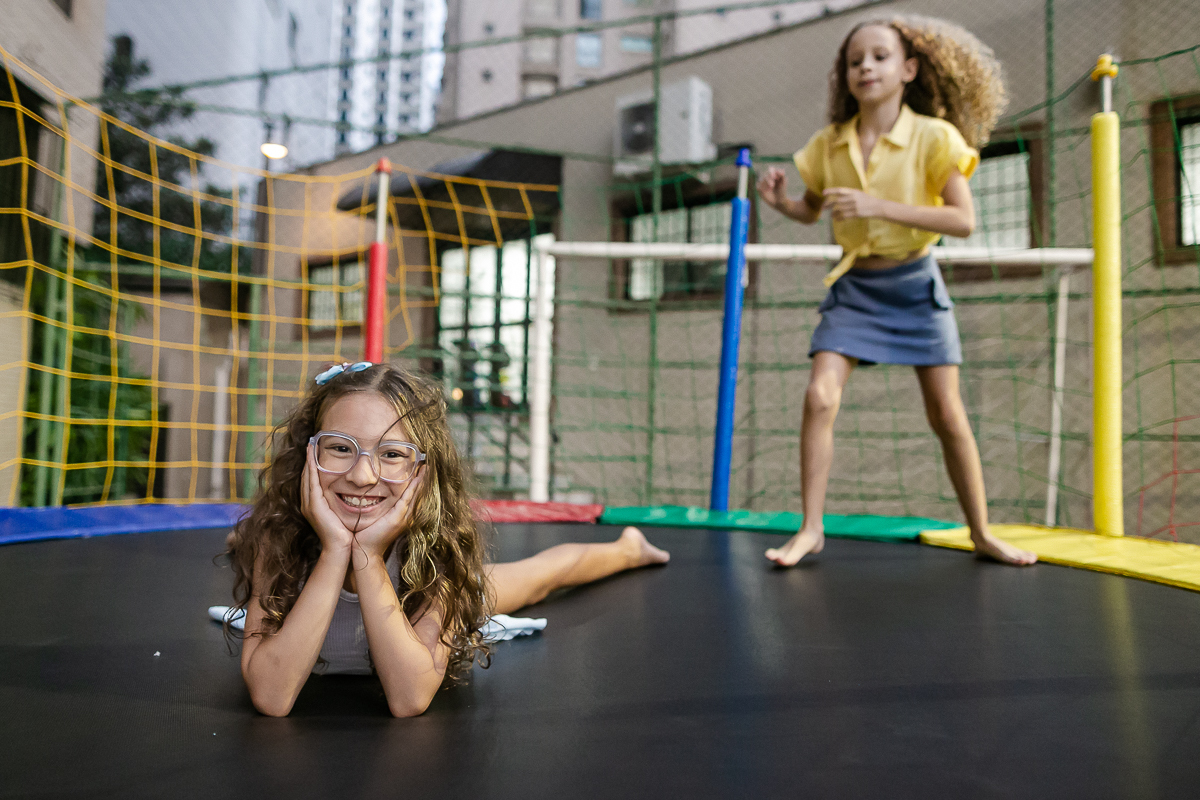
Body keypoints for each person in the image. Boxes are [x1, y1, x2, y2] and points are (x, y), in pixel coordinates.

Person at [225, 362, 669, 717]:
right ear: (309, 451)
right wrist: (335, 550)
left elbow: (410, 698)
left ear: (424, 469)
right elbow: (272, 696)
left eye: (392, 454)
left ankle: (627, 548)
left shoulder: (438, 553)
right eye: (340, 447)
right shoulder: (277, 542)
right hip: (309, 546)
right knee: (254, 538)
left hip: (417, 565)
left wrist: (367, 554)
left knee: (539, 577)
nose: (362, 475)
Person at [755, 16, 1037, 568]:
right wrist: (781, 202)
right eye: (855, 60)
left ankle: (982, 532)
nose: (866, 67)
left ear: (908, 69)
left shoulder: (934, 137)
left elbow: (963, 220)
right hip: (855, 287)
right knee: (819, 397)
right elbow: (811, 213)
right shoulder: (828, 145)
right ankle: (811, 528)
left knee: (947, 413)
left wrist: (879, 206)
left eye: (880, 56)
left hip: (913, 285)